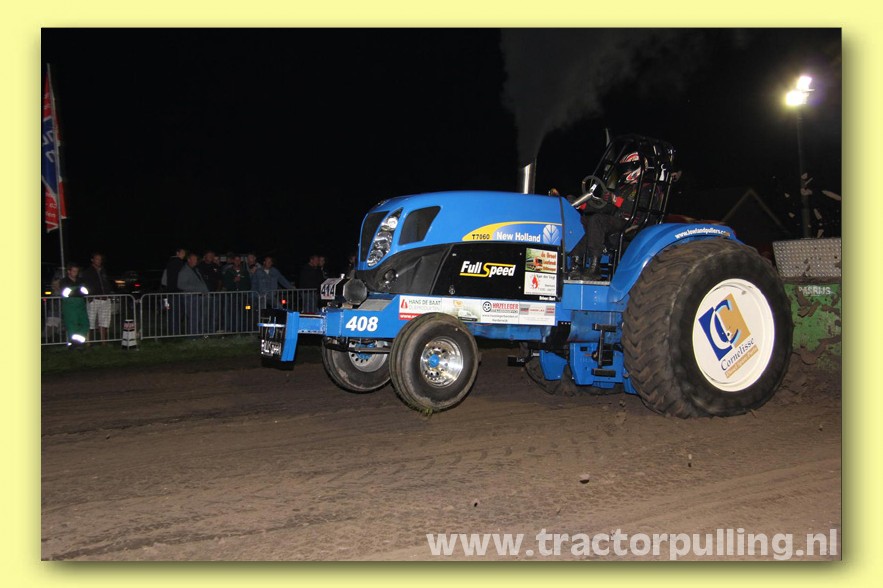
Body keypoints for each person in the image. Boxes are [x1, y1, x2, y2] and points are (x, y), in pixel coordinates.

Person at [568, 152, 663, 280]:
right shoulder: (624, 188)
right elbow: (607, 207)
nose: (625, 171)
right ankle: (575, 262)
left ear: (637, 168)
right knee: (587, 220)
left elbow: (640, 208)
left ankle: (595, 267)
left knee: (597, 220)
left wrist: (615, 200)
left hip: (634, 224)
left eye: (627, 168)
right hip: (619, 222)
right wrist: (583, 206)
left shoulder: (649, 188)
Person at [80, 252, 114, 343]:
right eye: (97, 259)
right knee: (90, 321)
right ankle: (88, 342)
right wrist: (90, 296)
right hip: (94, 299)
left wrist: (108, 293)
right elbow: (85, 285)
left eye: (100, 259)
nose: (99, 261)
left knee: (104, 322)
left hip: (105, 299)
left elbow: (107, 283)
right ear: (92, 260)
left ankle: (104, 342)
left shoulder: (103, 271)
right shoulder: (87, 272)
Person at [58, 263, 90, 348]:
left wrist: (75, 291)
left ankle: (78, 343)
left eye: (77, 271)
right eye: (74, 271)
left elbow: (86, 291)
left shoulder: (80, 280)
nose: (76, 273)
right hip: (69, 306)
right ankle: (73, 344)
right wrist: (78, 291)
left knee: (85, 323)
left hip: (80, 305)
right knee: (72, 325)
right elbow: (66, 293)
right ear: (69, 271)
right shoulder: (64, 281)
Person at [178, 252, 209, 335]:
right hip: (190, 297)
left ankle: (199, 334)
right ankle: (193, 336)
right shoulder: (184, 271)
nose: (196, 261)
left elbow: (201, 283)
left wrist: (205, 290)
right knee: (194, 317)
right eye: (194, 259)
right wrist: (197, 289)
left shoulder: (195, 269)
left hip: (198, 297)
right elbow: (181, 285)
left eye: (196, 259)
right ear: (189, 260)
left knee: (200, 316)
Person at [222, 254, 251, 332]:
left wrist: (243, 286)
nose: (237, 261)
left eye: (239, 260)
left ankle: (244, 329)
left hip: (243, 296)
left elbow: (248, 284)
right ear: (233, 261)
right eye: (236, 260)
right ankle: (234, 330)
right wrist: (233, 281)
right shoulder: (229, 272)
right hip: (233, 296)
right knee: (233, 313)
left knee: (244, 312)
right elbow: (226, 284)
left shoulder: (244, 272)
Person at [162, 248, 187, 335]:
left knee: (173, 312)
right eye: (182, 253)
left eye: (184, 253)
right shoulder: (178, 262)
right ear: (177, 253)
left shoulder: (170, 262)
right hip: (176, 291)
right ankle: (175, 331)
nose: (184, 255)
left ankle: (173, 331)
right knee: (176, 312)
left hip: (171, 291)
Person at [197, 250, 223, 332]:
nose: (211, 257)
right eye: (209, 255)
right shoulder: (199, 266)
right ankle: (204, 332)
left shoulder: (215, 266)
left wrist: (218, 290)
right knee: (204, 314)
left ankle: (212, 331)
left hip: (215, 294)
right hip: (204, 295)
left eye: (212, 255)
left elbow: (220, 280)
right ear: (205, 256)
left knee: (215, 314)